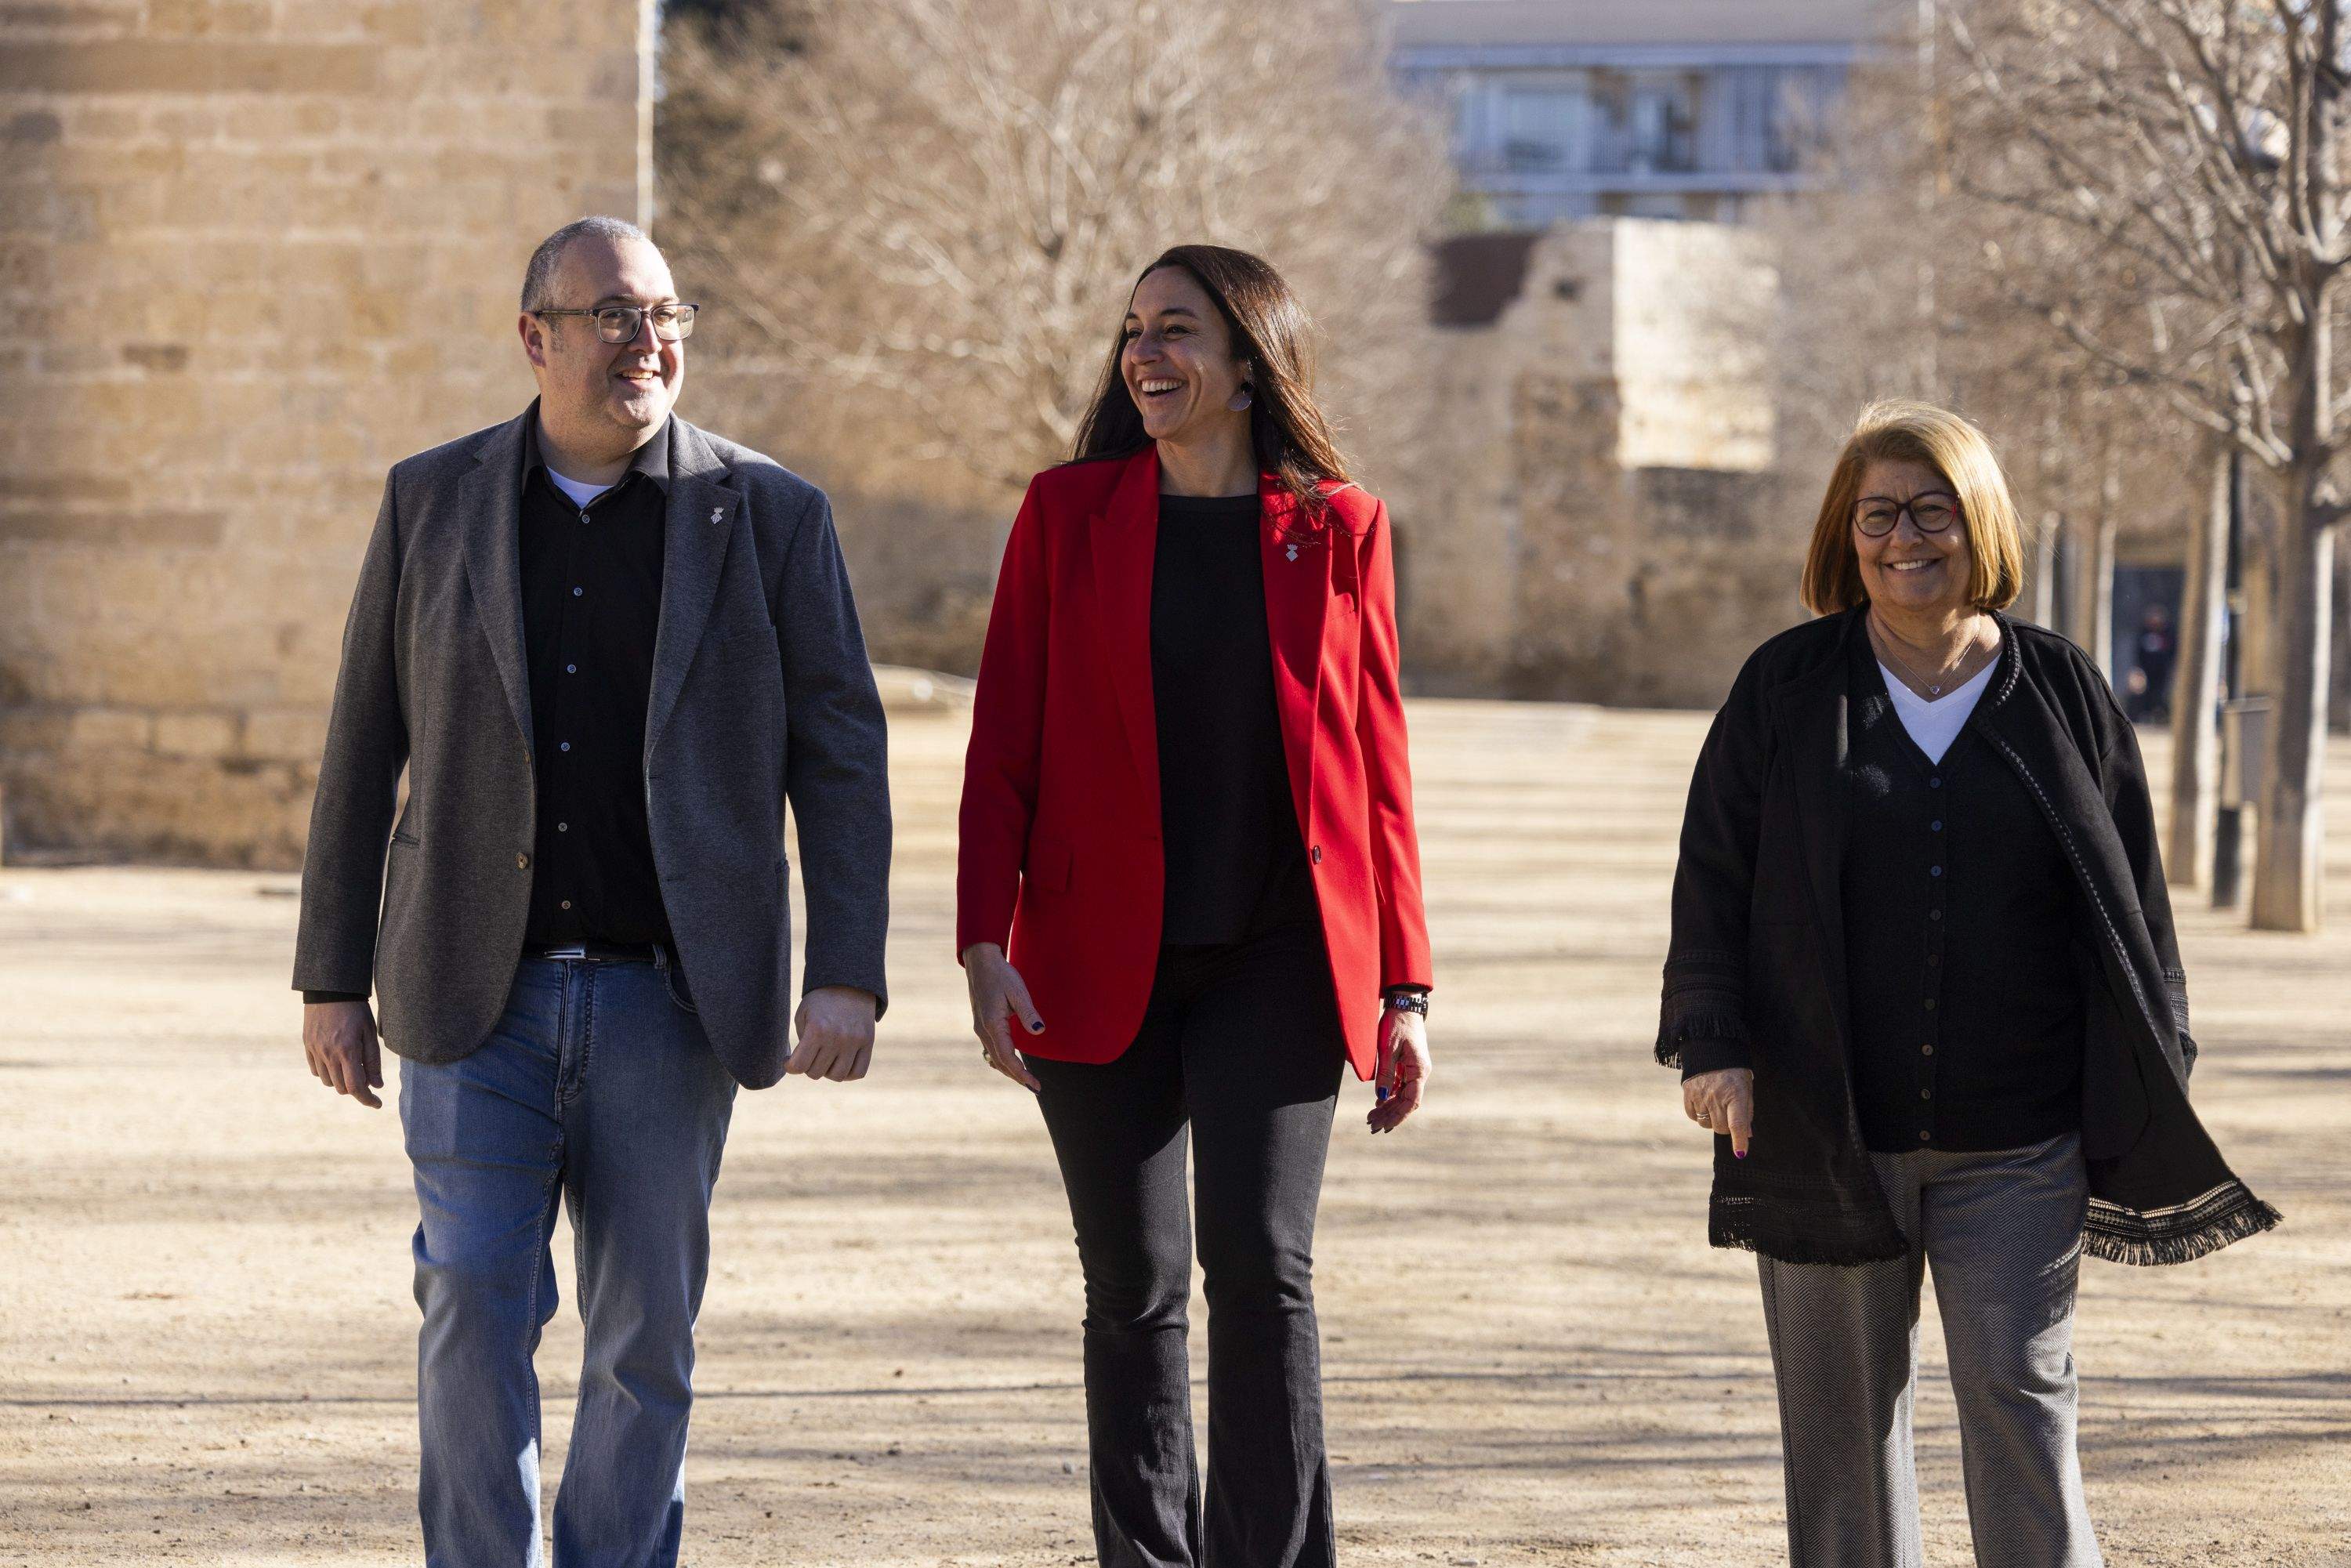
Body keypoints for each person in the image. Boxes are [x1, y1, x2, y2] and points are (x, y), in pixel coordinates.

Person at [292, 215, 892, 1567]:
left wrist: (845, 966)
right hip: (470, 995)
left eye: (667, 313)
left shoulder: (772, 513)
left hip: (671, 1008)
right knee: (470, 1314)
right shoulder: (431, 500)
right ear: (536, 338)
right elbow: (361, 740)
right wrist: (331, 974)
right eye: (614, 313)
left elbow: (842, 749)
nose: (649, 340)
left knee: (643, 1344)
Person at [1659, 400, 2277, 1568]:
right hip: (1822, 1122)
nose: (1905, 537)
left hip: (2018, 1137)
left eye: (1931, 508)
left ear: (1977, 520)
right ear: (1847, 535)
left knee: (2021, 1402)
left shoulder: (2063, 691)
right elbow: (1713, 878)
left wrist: (2160, 1059)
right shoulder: (1785, 689)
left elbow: (2135, 904)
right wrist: (1713, 1045)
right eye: (1877, 513)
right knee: (1840, 1439)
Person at [956, 244, 1433, 1568]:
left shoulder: (1340, 527)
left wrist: (1407, 988)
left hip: (1282, 959)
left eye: (1175, 331)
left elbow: (1379, 766)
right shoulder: (1067, 514)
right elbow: (1005, 743)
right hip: (1094, 956)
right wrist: (982, 944)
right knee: (1135, 1293)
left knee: (1266, 1277)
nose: (1144, 356)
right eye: (1132, 332)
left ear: (1248, 360)